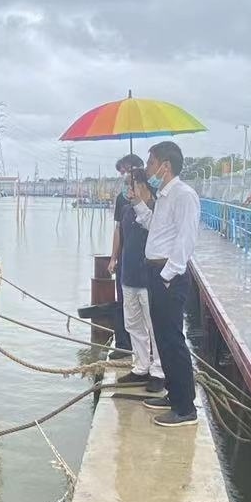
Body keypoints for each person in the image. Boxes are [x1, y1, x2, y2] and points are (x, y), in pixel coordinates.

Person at [130, 140, 200, 428]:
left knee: (173, 340)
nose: (149, 169)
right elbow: (155, 229)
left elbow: (185, 240)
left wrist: (168, 275)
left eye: (150, 163)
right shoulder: (164, 196)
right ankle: (174, 395)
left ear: (165, 166)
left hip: (167, 277)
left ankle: (185, 408)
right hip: (155, 272)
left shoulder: (184, 195)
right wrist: (138, 203)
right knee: (163, 339)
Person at [109, 153, 163, 392]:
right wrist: (114, 259)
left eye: (131, 185)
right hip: (128, 274)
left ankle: (159, 371)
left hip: (148, 277)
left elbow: (156, 232)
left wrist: (140, 204)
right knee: (133, 325)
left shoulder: (156, 208)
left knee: (154, 325)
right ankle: (141, 366)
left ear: (142, 185)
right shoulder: (127, 209)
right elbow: (121, 234)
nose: (128, 190)